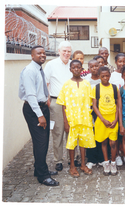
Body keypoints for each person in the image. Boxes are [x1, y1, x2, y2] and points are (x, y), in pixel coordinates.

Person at [19, 45, 59, 186]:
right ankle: (43, 176)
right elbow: (30, 95)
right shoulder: (30, 71)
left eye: (43, 53)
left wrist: (46, 103)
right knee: (41, 143)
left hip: (41, 107)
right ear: (32, 55)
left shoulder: (39, 69)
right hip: (34, 109)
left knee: (42, 141)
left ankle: (39, 168)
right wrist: (40, 115)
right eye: (38, 53)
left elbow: (40, 89)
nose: (42, 55)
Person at [44, 41, 80, 171]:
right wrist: (49, 102)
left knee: (72, 130)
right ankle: (58, 160)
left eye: (69, 51)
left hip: (72, 103)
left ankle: (74, 158)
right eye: (64, 51)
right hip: (56, 102)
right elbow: (45, 84)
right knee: (58, 132)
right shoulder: (51, 65)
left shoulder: (73, 65)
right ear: (59, 51)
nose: (66, 53)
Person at [56, 60, 96, 177]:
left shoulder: (86, 84)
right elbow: (63, 104)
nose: (76, 69)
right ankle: (72, 166)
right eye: (74, 68)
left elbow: (91, 101)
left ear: (82, 69)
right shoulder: (67, 84)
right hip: (72, 119)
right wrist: (65, 121)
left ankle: (83, 164)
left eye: (79, 67)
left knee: (83, 143)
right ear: (70, 70)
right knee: (72, 144)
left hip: (84, 118)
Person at [93, 66, 120, 175]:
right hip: (101, 119)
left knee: (113, 142)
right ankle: (106, 163)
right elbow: (94, 106)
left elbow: (118, 105)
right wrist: (103, 119)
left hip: (113, 118)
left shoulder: (114, 88)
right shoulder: (96, 88)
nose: (105, 78)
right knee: (103, 141)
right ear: (99, 76)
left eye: (107, 76)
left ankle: (113, 162)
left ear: (110, 75)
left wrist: (116, 119)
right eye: (103, 76)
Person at [85, 60, 105, 170]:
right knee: (91, 133)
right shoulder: (86, 80)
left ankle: (101, 158)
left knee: (100, 133)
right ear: (88, 68)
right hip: (90, 110)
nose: (94, 68)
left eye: (96, 66)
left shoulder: (103, 79)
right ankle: (91, 159)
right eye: (91, 66)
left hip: (102, 110)